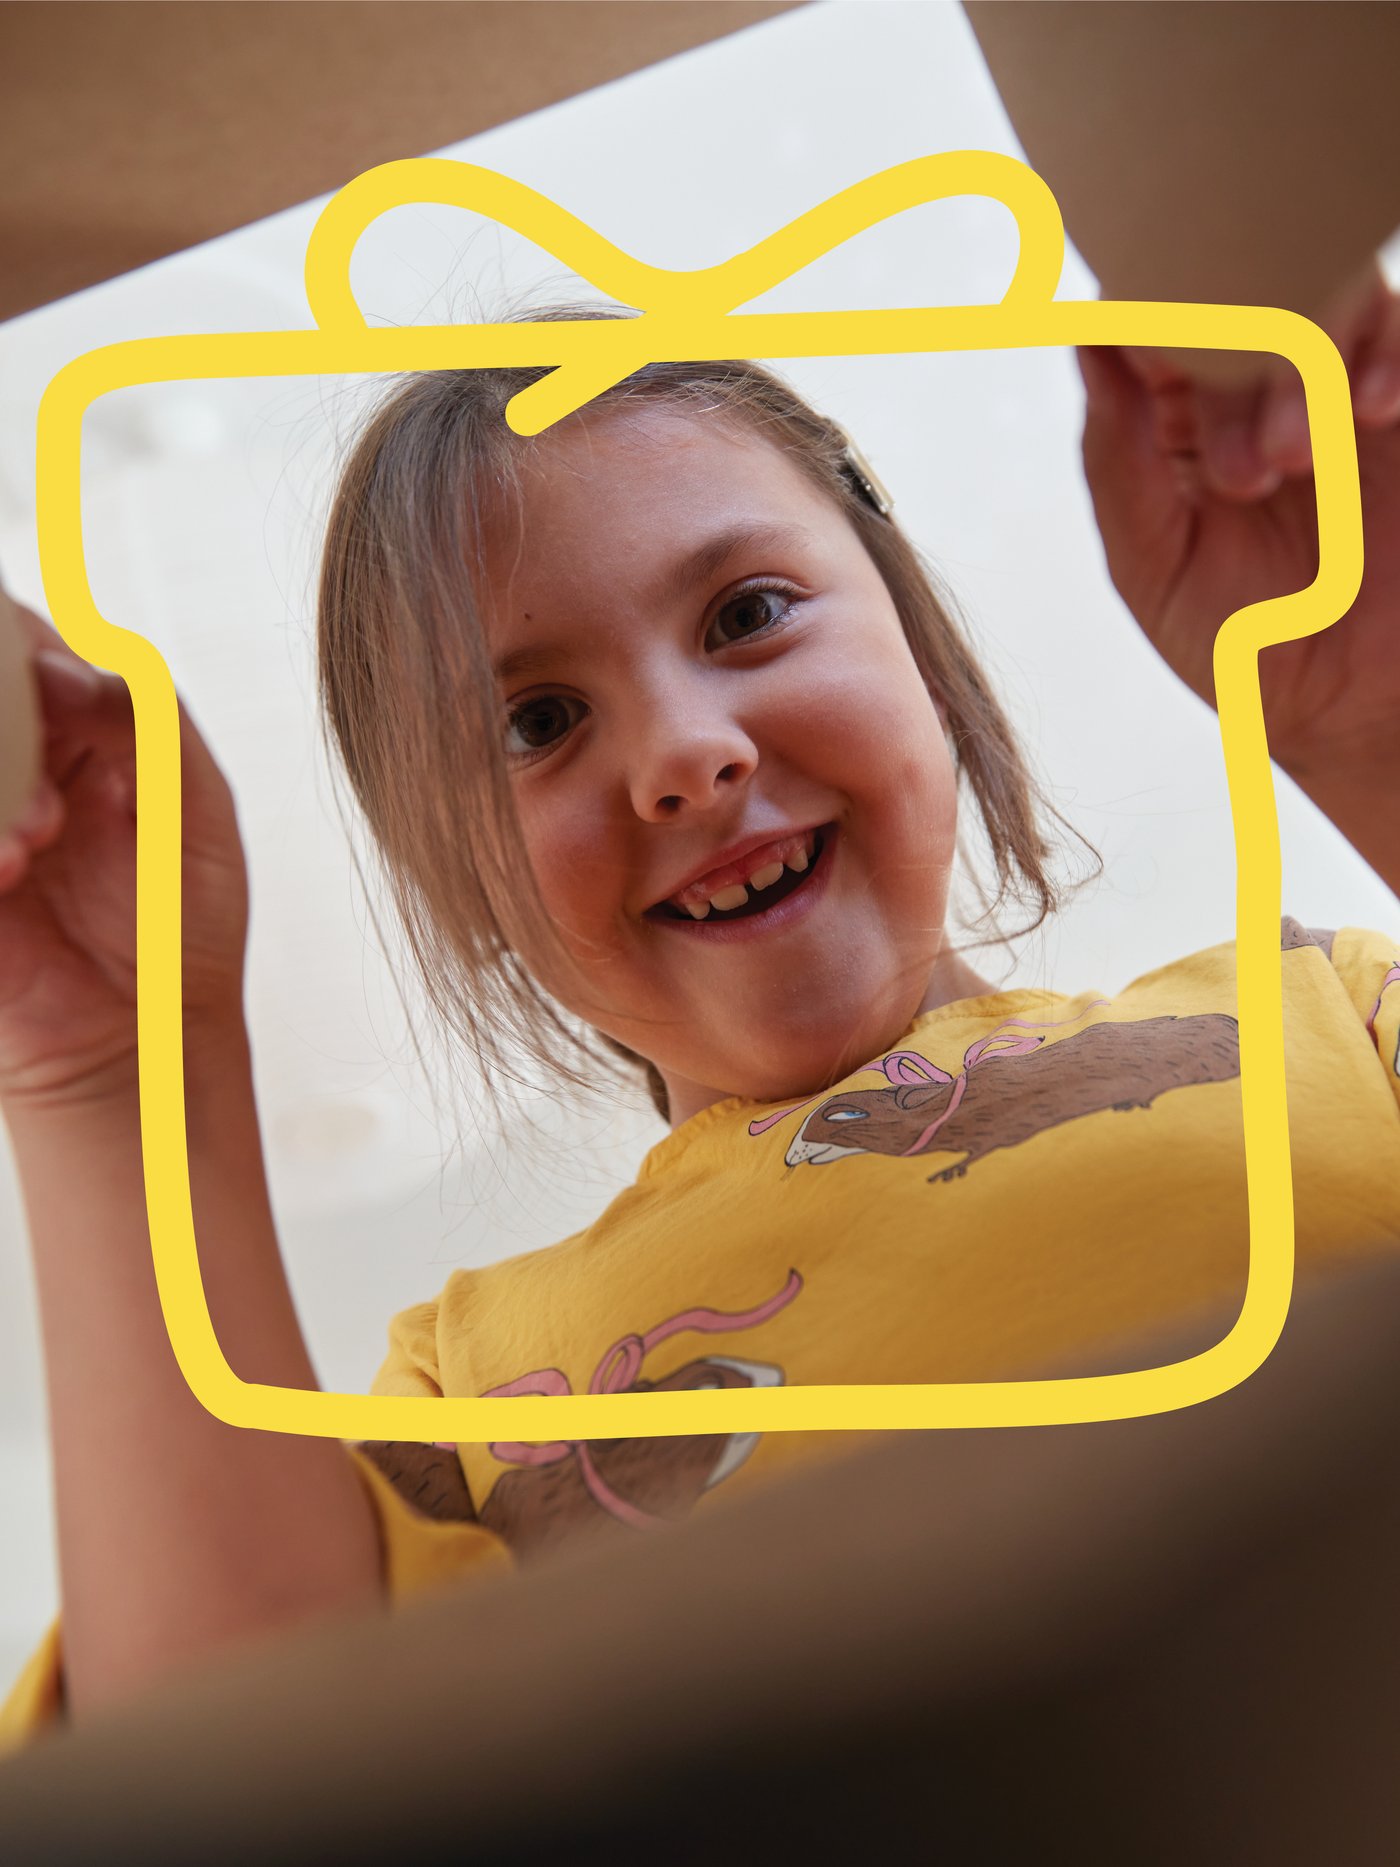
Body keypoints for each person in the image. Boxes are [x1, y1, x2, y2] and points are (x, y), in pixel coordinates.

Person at [2, 281, 1399, 1745]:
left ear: (915, 632)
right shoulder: (462, 1397)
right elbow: (226, 1774)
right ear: (459, 877)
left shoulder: (1329, 1015)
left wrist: (1371, 728)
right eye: (537, 723)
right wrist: (109, 1074)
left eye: (745, 615)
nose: (684, 755)